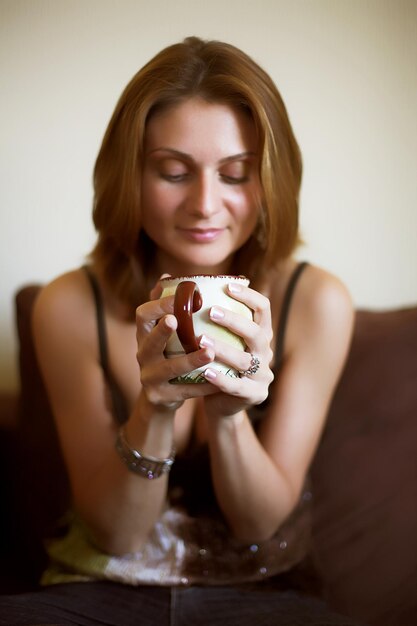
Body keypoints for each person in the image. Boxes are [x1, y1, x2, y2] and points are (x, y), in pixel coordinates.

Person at [1, 37, 363, 625]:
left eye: (235, 174)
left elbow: (259, 524)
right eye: (173, 171)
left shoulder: (315, 302)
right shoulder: (70, 305)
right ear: (129, 175)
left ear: (269, 179)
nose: (204, 203)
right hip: (100, 590)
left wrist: (227, 414)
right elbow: (117, 535)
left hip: (262, 593)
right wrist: (155, 408)